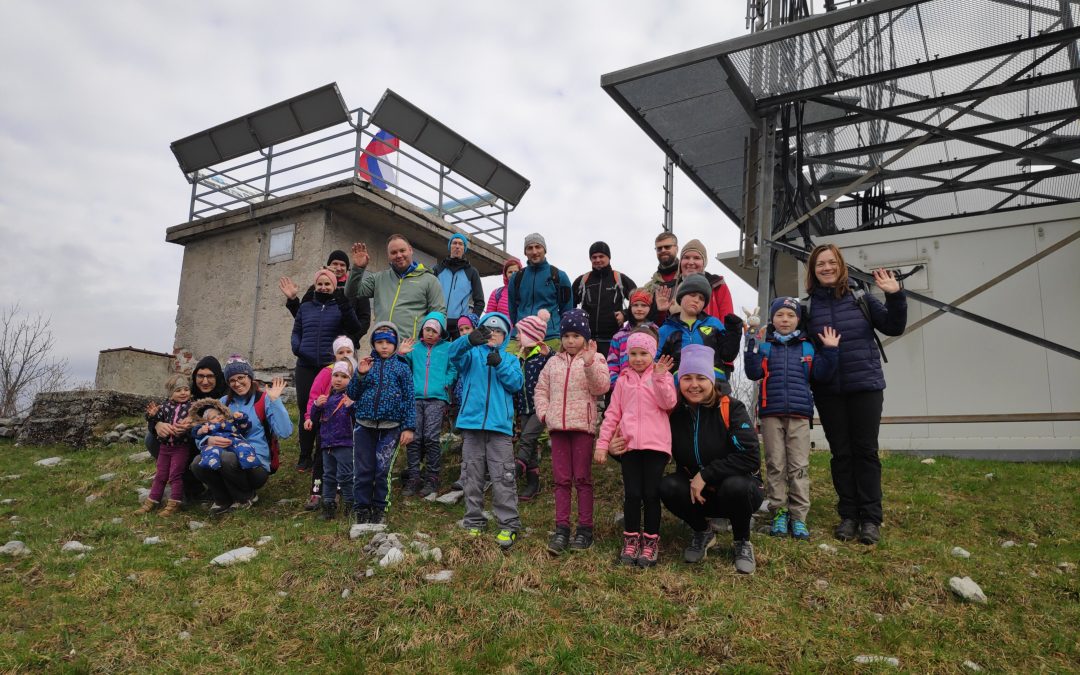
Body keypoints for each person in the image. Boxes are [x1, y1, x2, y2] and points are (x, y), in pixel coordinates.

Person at [803, 244, 906, 545]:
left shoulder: (861, 298)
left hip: (865, 386)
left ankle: (871, 518)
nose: (826, 267)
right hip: (829, 390)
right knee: (841, 454)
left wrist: (895, 295)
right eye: (820, 264)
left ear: (841, 265)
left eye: (831, 262)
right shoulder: (808, 308)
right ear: (813, 270)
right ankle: (848, 514)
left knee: (865, 451)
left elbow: (894, 326)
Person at [646, 345, 763, 574]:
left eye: (701, 377)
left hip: (736, 491)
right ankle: (703, 531)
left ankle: (741, 541)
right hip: (696, 494)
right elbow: (647, 447)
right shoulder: (674, 413)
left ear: (711, 380)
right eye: (687, 378)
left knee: (736, 486)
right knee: (667, 486)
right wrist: (616, 450)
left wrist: (706, 473)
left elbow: (751, 457)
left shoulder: (731, 408)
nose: (694, 384)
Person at [744, 297, 839, 540]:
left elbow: (821, 375)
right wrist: (751, 340)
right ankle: (779, 511)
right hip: (770, 413)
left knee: (798, 466)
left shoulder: (808, 346)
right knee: (776, 464)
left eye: (790, 315)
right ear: (772, 319)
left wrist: (830, 350)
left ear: (798, 319)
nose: (785, 320)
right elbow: (753, 372)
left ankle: (798, 517)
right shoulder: (765, 346)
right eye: (779, 315)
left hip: (799, 414)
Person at [595, 332, 677, 567]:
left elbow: (668, 403)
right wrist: (603, 444)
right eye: (633, 354)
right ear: (627, 355)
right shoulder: (623, 381)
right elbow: (612, 415)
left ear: (653, 354)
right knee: (632, 495)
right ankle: (631, 540)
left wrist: (660, 378)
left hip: (655, 447)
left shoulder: (663, 376)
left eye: (644, 353)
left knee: (651, 495)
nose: (638, 358)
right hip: (629, 447)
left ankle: (650, 542)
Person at [534, 309, 611, 555]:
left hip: (582, 429)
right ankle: (562, 528)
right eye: (566, 335)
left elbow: (602, 386)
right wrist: (545, 414)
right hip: (558, 429)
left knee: (582, 479)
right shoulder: (552, 362)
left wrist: (588, 363)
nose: (570, 341)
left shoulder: (595, 358)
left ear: (585, 337)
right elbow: (541, 389)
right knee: (561, 480)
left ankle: (585, 529)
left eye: (576, 335)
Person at [448, 312, 524, 550]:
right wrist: (469, 339)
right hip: (471, 425)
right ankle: (473, 521)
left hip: (500, 427)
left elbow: (516, 384)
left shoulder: (510, 359)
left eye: (499, 332)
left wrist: (500, 364)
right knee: (472, 474)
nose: (493, 336)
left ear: (506, 336)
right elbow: (452, 356)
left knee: (504, 476)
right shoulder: (470, 355)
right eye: (488, 331)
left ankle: (508, 525)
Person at [190, 357, 291, 516]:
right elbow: (205, 428)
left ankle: (245, 497)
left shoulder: (263, 399)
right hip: (226, 454)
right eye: (232, 380)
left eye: (241, 378)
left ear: (250, 377)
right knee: (197, 463)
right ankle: (222, 499)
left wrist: (275, 401)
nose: (237, 383)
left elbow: (285, 432)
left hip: (256, 464)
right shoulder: (223, 402)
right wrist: (207, 439)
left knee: (227, 458)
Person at [291, 269, 364, 471]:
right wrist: (297, 348)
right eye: (320, 284)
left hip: (329, 367)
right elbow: (296, 331)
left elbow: (354, 326)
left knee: (328, 408)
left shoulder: (339, 307)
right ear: (315, 286)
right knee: (307, 407)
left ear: (334, 286)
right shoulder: (305, 307)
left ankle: (321, 453)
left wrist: (344, 304)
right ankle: (304, 455)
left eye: (327, 284)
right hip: (305, 365)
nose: (323, 287)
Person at [347, 322, 416, 526]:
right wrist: (360, 374)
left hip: (391, 428)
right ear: (373, 344)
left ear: (395, 345)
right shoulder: (366, 364)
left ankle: (379, 508)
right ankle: (361, 509)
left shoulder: (402, 369)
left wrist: (409, 427)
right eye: (379, 342)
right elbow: (352, 394)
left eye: (388, 342)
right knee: (363, 469)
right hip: (364, 425)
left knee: (382, 469)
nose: (384, 346)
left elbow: (409, 399)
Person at [397, 311, 456, 498]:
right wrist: (401, 353)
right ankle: (414, 476)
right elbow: (402, 366)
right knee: (414, 438)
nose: (430, 333)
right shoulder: (416, 348)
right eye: (427, 329)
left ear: (441, 333)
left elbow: (453, 367)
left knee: (431, 437)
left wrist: (446, 382)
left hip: (437, 398)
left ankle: (432, 477)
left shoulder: (448, 347)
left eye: (434, 330)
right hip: (414, 398)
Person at [345, 235, 446, 340]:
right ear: (388, 256)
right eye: (393, 252)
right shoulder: (379, 278)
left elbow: (438, 314)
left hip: (411, 350)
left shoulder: (430, 280)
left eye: (402, 250)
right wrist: (358, 268)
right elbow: (351, 293)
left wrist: (429, 348)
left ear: (410, 250)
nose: (399, 255)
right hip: (382, 347)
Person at [301, 336, 357, 510]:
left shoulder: (357, 373)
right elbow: (314, 396)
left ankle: (340, 496)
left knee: (343, 468)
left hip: (344, 437)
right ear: (335, 354)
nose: (345, 355)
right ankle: (316, 492)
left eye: (348, 351)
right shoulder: (326, 372)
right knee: (321, 465)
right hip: (325, 432)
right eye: (341, 352)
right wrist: (309, 416)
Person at [657, 274, 743, 383]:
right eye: (692, 295)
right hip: (679, 387)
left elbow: (728, 355)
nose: (697, 300)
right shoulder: (666, 329)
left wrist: (734, 330)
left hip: (713, 386)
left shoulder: (714, 323)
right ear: (681, 296)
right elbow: (655, 361)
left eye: (701, 298)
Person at [279, 250, 372, 346]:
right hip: (317, 345)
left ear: (347, 268)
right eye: (335, 264)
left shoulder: (355, 288)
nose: (339, 268)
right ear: (328, 265)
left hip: (345, 348)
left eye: (342, 265)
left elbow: (364, 319)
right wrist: (293, 299)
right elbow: (302, 316)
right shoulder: (316, 288)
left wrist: (350, 340)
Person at [136, 374, 195, 517]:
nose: (183, 393)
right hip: (165, 448)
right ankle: (152, 501)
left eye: (186, 389)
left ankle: (175, 502)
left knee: (175, 475)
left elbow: (198, 419)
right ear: (170, 393)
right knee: (160, 475)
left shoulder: (192, 407)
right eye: (178, 390)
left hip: (181, 447)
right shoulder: (165, 407)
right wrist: (152, 415)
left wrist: (190, 423)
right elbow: (154, 420)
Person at [512, 309, 554, 501]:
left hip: (540, 408)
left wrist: (549, 354)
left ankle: (517, 468)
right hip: (524, 408)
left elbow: (556, 367)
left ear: (530, 336)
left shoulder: (543, 357)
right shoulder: (520, 357)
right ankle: (533, 483)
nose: (516, 336)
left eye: (520, 333)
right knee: (530, 441)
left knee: (528, 438)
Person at [507, 233, 572, 350]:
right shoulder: (516, 278)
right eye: (530, 248)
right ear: (525, 252)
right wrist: (522, 327)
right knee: (510, 368)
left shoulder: (559, 276)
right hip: (519, 336)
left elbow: (567, 310)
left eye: (538, 247)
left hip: (551, 337)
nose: (534, 251)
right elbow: (512, 309)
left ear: (545, 250)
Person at [571, 241, 637, 356]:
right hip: (587, 341)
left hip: (613, 341)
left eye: (601, 256)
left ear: (609, 257)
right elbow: (569, 305)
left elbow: (639, 301)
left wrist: (625, 314)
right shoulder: (582, 280)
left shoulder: (620, 279)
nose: (597, 260)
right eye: (594, 257)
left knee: (611, 373)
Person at [309, 360, 356, 521]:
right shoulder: (326, 398)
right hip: (326, 444)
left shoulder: (350, 398)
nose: (338, 379)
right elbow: (314, 420)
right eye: (336, 375)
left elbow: (358, 419)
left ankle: (351, 505)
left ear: (351, 379)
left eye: (344, 376)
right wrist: (316, 405)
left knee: (346, 476)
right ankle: (328, 506)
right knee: (328, 476)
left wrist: (352, 406)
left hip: (345, 443)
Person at [433, 233, 486, 339]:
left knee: (460, 355)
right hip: (439, 322)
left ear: (464, 248)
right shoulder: (437, 269)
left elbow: (479, 301)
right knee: (440, 355)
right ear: (450, 246)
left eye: (461, 244)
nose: (457, 246)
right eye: (454, 243)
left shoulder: (472, 272)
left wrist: (471, 321)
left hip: (461, 326)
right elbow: (428, 295)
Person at [607, 289, 659, 386]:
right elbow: (612, 363)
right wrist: (617, 384)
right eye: (635, 305)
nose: (639, 309)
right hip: (623, 389)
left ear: (651, 308)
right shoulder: (619, 336)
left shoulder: (657, 333)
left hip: (649, 390)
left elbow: (659, 359)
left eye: (644, 305)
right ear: (630, 307)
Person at [192, 401, 260, 471]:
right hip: (217, 444)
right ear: (207, 421)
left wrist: (240, 417)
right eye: (213, 417)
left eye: (219, 414)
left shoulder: (230, 422)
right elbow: (196, 433)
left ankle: (249, 461)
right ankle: (210, 462)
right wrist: (201, 430)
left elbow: (243, 427)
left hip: (234, 441)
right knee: (211, 450)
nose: (218, 417)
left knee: (244, 447)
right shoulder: (208, 426)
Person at [643, 231, 681, 323]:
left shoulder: (688, 279)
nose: (663, 250)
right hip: (658, 334)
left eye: (667, 247)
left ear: (676, 248)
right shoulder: (649, 287)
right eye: (659, 248)